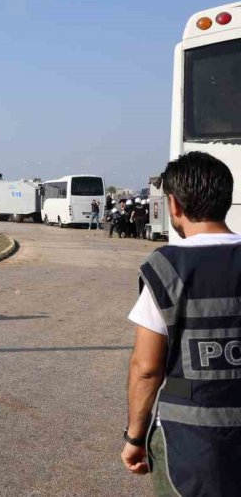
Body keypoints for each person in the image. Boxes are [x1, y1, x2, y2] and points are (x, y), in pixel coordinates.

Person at [121, 152, 241, 496]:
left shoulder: (166, 268)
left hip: (190, 447)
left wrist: (135, 437)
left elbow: (146, 368)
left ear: (174, 205)